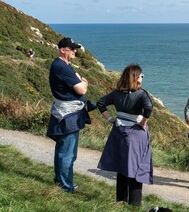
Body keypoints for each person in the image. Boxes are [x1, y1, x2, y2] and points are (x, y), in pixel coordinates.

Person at [96, 63, 153, 206]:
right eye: (141, 75)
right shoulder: (141, 94)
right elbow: (148, 108)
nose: (142, 78)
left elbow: (100, 103)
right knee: (136, 168)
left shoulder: (116, 93)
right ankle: (135, 204)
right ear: (136, 77)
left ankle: (120, 201)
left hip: (118, 132)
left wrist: (110, 118)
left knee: (121, 167)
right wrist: (144, 121)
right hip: (136, 134)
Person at [47, 37, 94, 193]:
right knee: (67, 153)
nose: (75, 51)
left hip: (66, 113)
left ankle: (60, 181)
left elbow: (79, 82)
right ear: (62, 50)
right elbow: (81, 89)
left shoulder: (62, 65)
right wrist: (84, 83)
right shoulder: (62, 67)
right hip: (68, 116)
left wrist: (81, 81)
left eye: (75, 49)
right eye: (71, 49)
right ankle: (65, 186)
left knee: (63, 150)